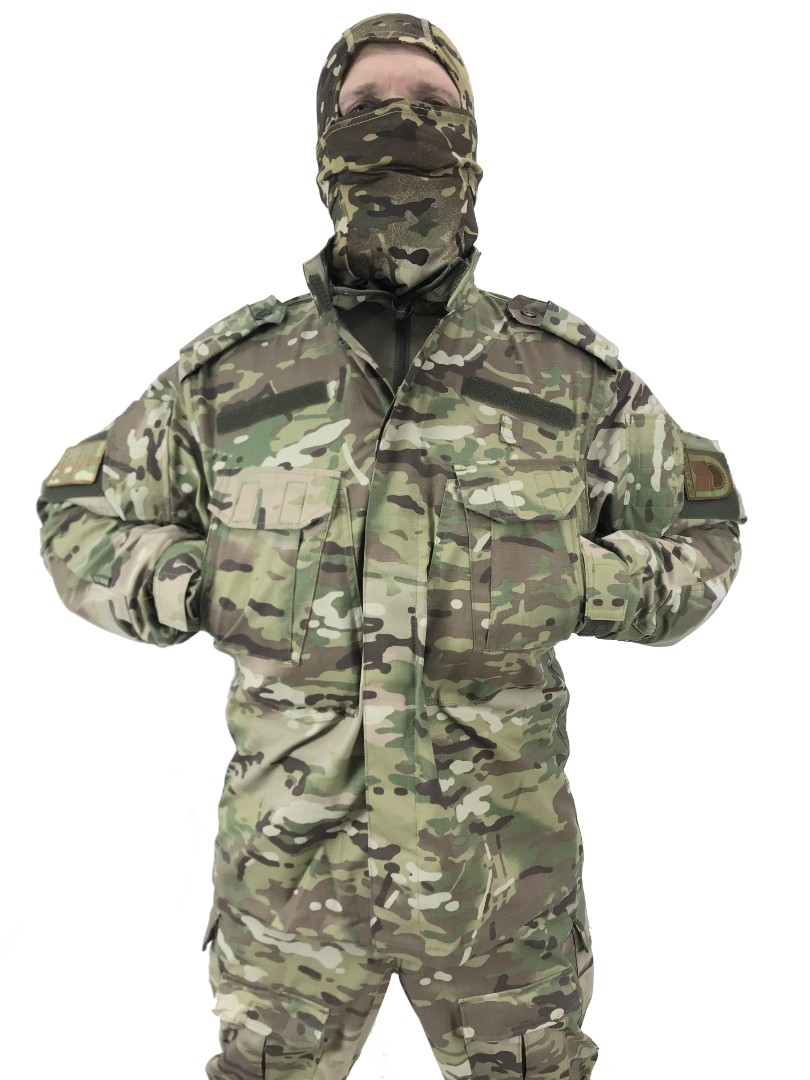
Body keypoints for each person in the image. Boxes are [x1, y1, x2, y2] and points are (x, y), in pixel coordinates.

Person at [36, 11, 745, 1079]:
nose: (401, 124)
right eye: (368, 105)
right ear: (324, 142)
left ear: (473, 143)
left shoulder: (564, 378)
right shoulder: (236, 378)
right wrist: (199, 582)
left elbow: (702, 532)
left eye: (432, 103)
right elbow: (77, 517)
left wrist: (574, 584)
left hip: (503, 886)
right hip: (289, 892)